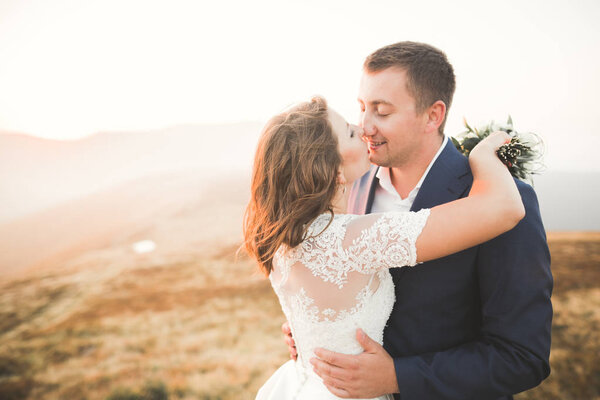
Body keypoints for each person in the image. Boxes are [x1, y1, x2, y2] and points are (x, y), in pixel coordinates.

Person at [283, 42, 553, 399]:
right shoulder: (353, 182)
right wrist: (320, 326)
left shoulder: (499, 201)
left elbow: (522, 357)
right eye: (362, 107)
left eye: (381, 111)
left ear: (433, 116)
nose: (364, 125)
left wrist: (399, 377)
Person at [245, 94, 526, 400]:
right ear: (332, 171)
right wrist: (483, 155)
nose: (363, 128)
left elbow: (317, 314)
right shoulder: (355, 240)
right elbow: (505, 207)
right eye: (351, 132)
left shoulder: (280, 239)